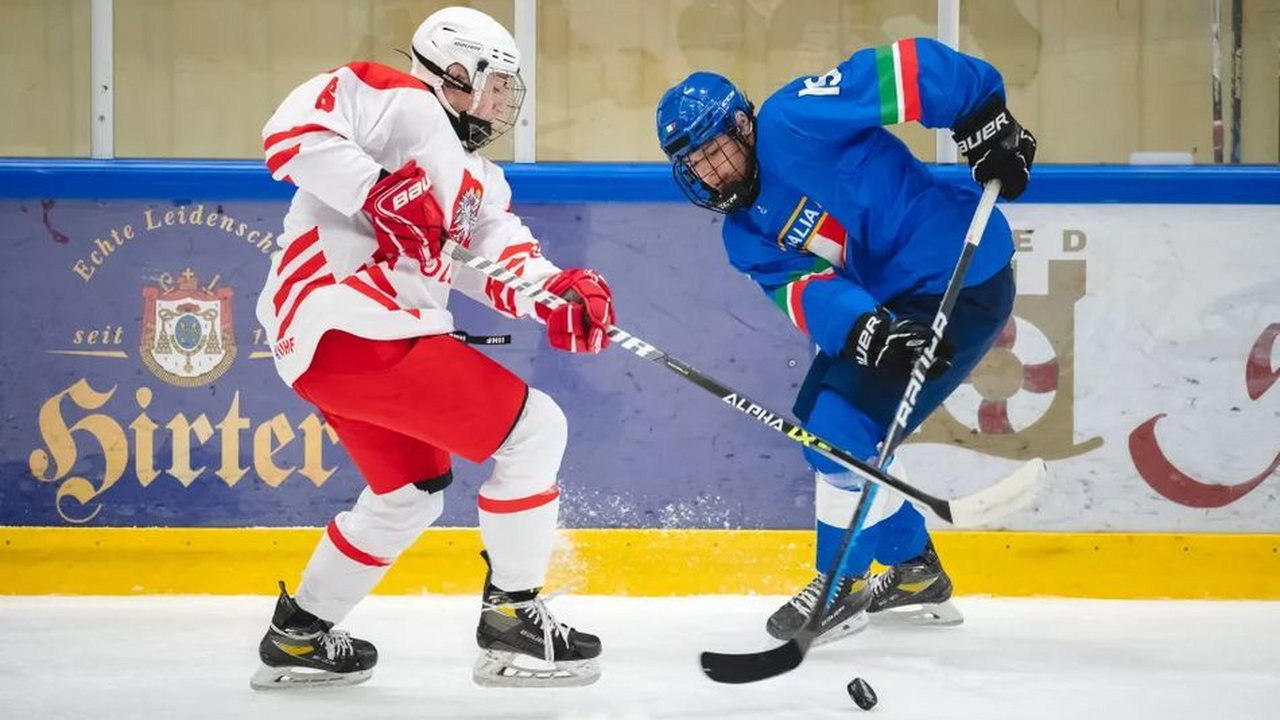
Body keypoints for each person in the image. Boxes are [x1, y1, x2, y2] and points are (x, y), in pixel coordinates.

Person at [250, 6, 612, 690]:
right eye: (495, 82)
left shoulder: (476, 181)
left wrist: (557, 294)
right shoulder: (398, 100)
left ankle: (300, 633)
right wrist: (376, 189)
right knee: (537, 430)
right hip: (349, 320)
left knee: (410, 494)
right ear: (454, 70)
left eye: (509, 87)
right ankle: (513, 619)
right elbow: (288, 132)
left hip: (340, 351)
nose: (505, 99)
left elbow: (495, 261)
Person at [656, 38, 1035, 646]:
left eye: (716, 152)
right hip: (892, 304)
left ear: (744, 126)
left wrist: (980, 112)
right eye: (695, 164)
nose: (711, 172)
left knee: (841, 434)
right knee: (822, 431)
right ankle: (914, 570)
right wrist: (867, 333)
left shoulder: (793, 118)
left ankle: (840, 583)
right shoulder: (744, 236)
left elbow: (905, 70)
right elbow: (807, 295)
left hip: (961, 274)